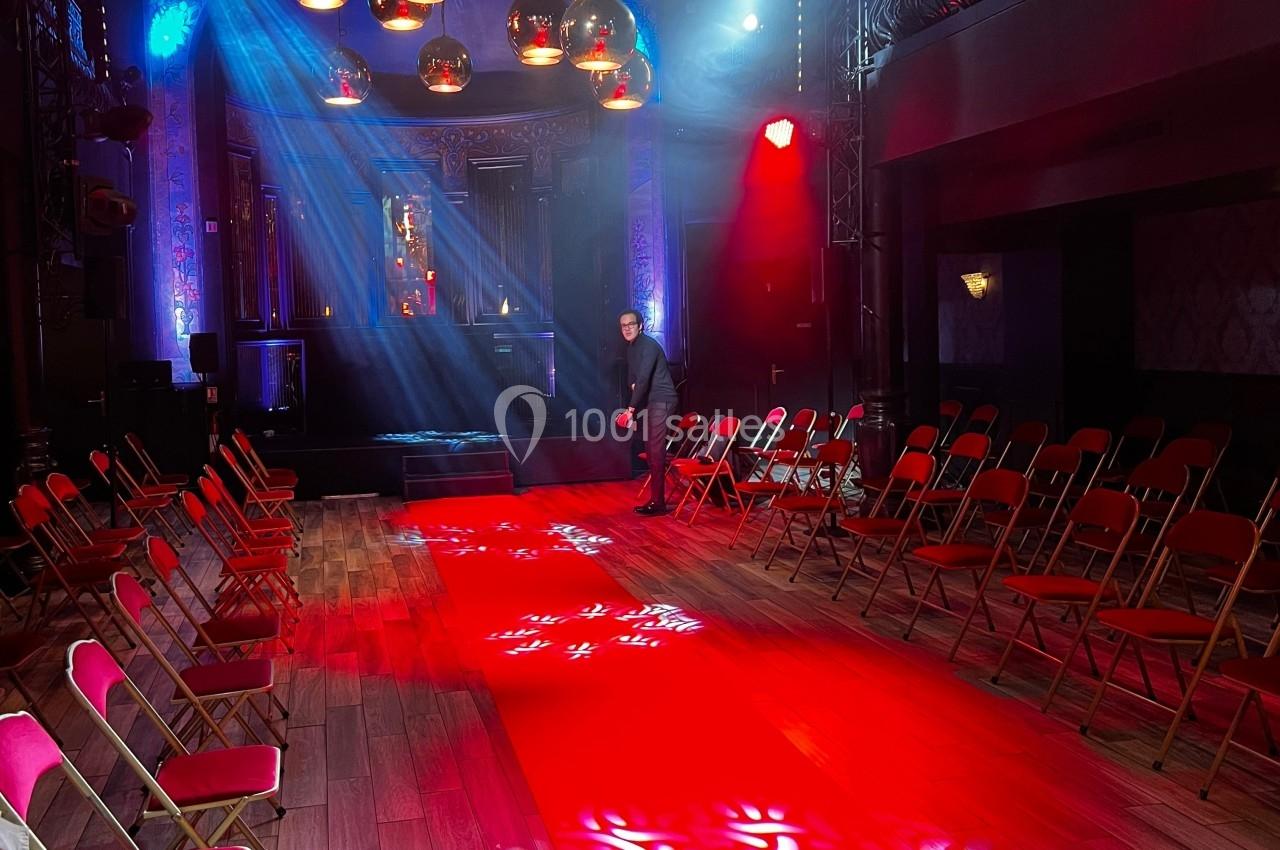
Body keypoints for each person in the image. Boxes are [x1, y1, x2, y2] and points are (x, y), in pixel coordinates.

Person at [618, 309, 678, 515]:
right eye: (623, 325)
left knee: (655, 450)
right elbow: (632, 381)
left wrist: (630, 409)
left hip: (662, 400)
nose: (626, 328)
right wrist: (635, 403)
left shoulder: (649, 346)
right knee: (651, 450)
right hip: (649, 402)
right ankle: (658, 499)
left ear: (640, 325)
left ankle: (658, 502)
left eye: (631, 324)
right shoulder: (632, 349)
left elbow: (642, 379)